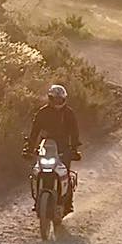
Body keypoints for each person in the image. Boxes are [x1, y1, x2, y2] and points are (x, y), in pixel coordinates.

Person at [23, 83, 81, 214]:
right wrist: (29, 148)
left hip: (63, 148)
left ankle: (68, 203)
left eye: (60, 99)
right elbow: (35, 131)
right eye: (55, 99)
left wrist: (74, 148)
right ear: (50, 99)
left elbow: (74, 131)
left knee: (65, 172)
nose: (58, 102)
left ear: (64, 99)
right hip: (46, 147)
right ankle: (38, 200)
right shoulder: (42, 112)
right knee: (37, 171)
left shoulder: (69, 113)